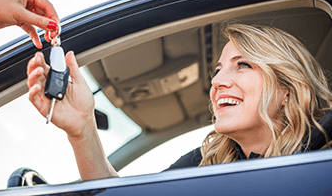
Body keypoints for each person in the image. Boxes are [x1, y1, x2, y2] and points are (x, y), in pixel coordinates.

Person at [26, 23, 332, 181]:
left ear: (287, 89)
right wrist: (82, 129)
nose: (217, 81)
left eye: (243, 65)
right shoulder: (207, 161)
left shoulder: (324, 156)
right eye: (218, 69)